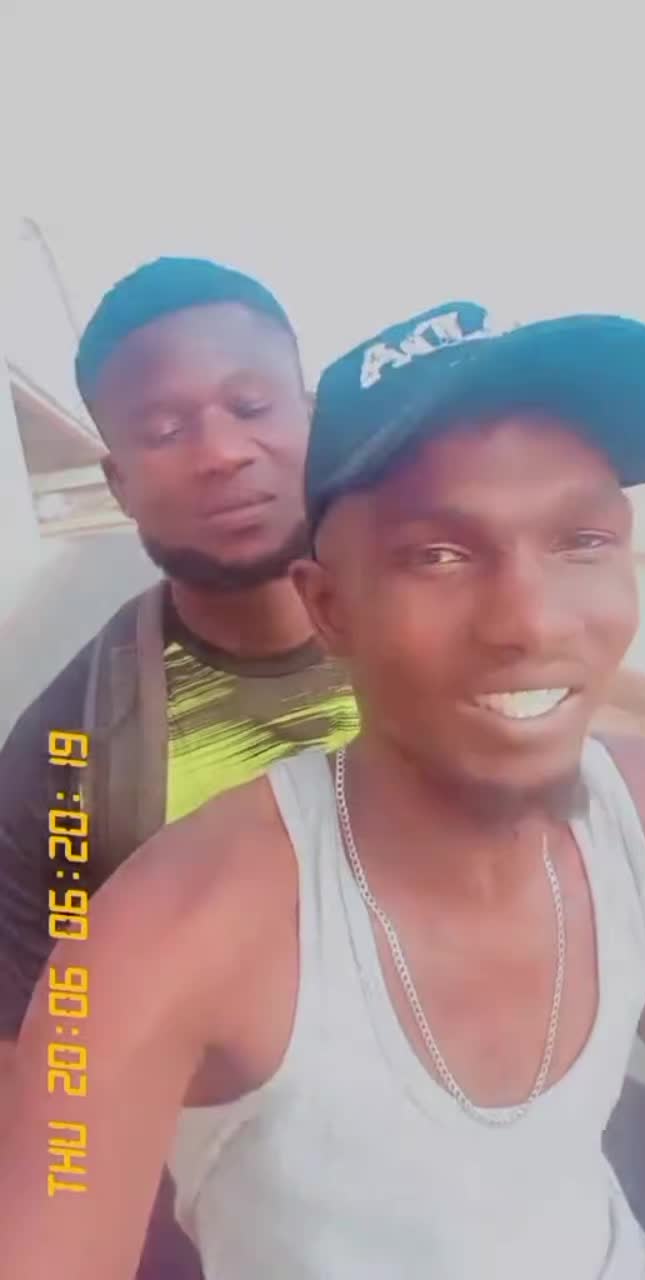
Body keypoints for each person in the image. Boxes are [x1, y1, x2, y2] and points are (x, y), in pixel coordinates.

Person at [2, 300, 645, 1279]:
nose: (532, 621)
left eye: (582, 540)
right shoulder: (91, 792)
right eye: (438, 555)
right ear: (330, 606)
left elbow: (623, 917)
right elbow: (57, 1078)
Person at [0, 257, 358, 1278]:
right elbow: (43, 1050)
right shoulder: (68, 756)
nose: (221, 453)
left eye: (251, 406)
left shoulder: (446, 636)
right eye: (164, 430)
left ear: (311, 415)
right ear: (119, 480)